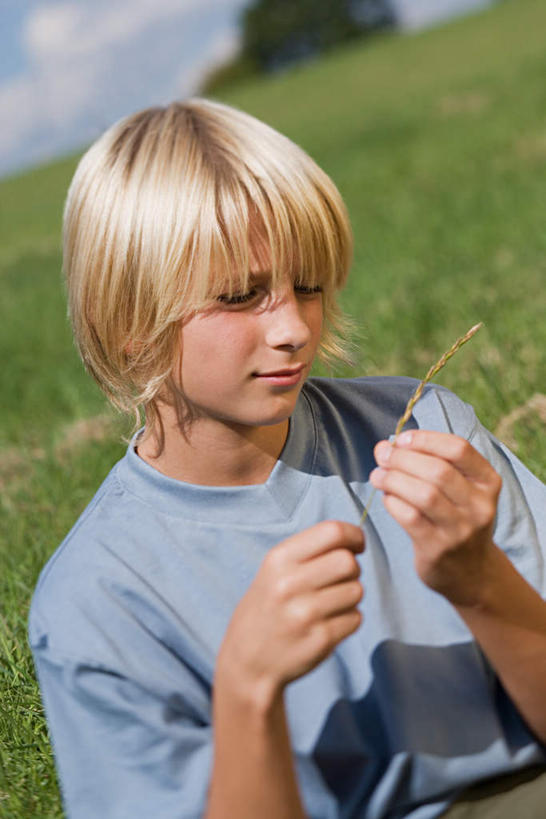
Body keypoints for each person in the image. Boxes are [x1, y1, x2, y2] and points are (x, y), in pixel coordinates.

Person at [29, 98, 546, 819]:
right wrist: (247, 688)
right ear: (130, 325)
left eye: (308, 286)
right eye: (240, 295)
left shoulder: (428, 425)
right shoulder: (99, 600)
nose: (292, 327)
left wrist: (480, 577)